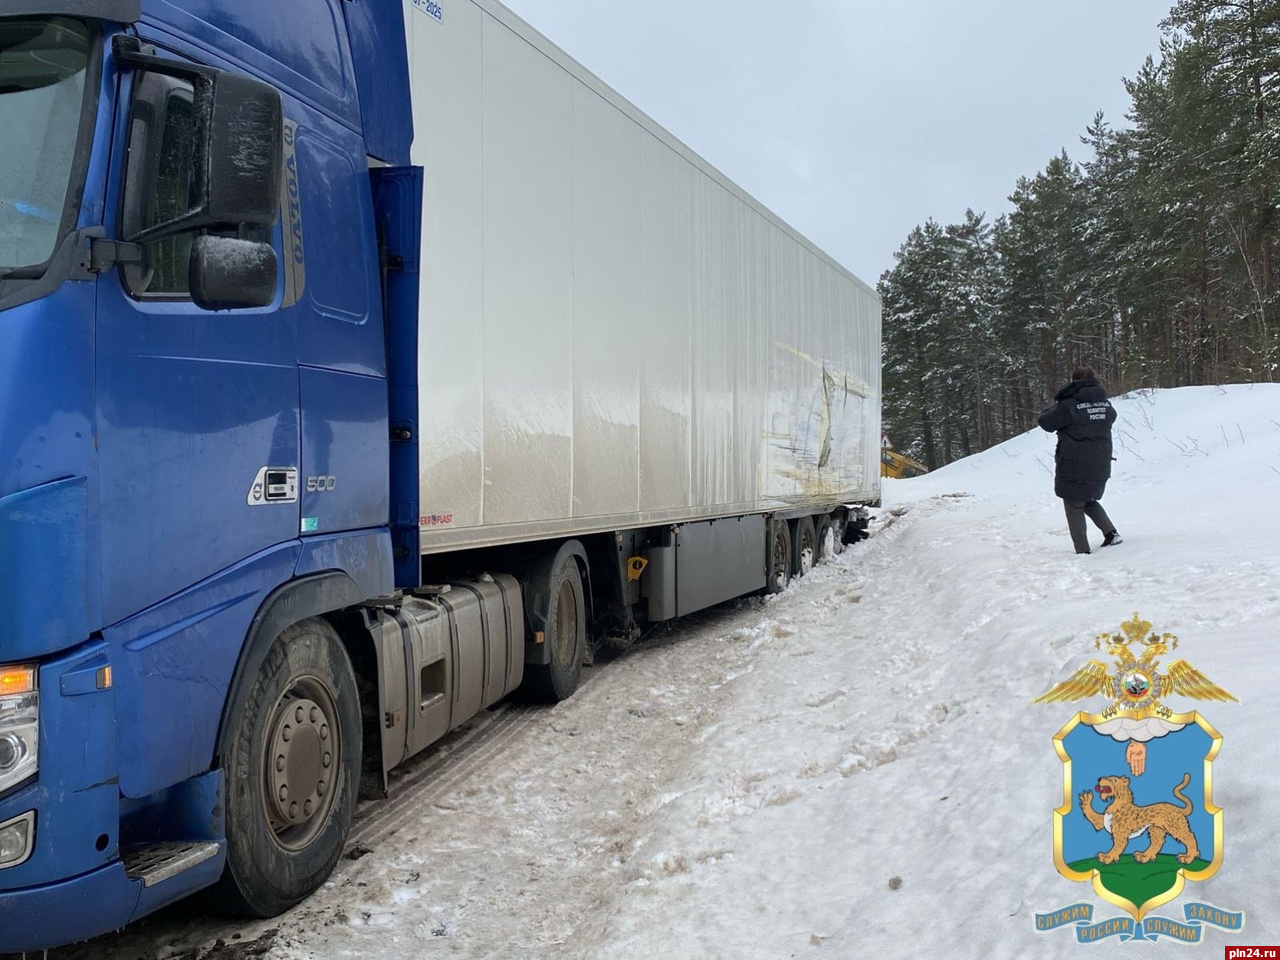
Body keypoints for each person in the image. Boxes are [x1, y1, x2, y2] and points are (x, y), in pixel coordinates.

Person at [1037, 366, 1122, 555]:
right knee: (1087, 497)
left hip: (1074, 462)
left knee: (1073, 502)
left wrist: (1054, 406)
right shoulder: (1106, 405)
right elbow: (1110, 418)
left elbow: (1045, 422)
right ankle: (1111, 533)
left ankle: (1082, 551)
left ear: (1073, 381)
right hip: (1100, 459)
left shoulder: (1068, 405)